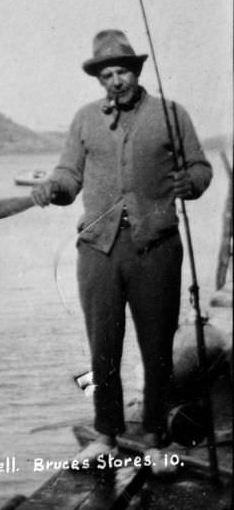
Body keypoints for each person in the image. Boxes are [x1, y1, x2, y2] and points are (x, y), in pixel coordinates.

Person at [31, 29, 212, 470]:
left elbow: (200, 167)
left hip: (156, 248)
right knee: (103, 350)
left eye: (122, 71)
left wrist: (194, 183)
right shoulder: (84, 120)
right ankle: (106, 436)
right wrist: (53, 188)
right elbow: (69, 176)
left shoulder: (171, 114)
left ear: (136, 71)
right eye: (107, 74)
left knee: (157, 350)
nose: (116, 80)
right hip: (98, 252)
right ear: (99, 79)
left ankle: (156, 438)